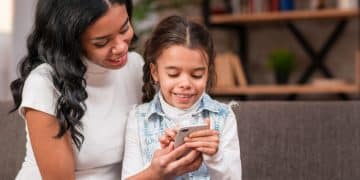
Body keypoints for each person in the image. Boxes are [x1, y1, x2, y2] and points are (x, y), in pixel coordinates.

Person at [10, 0, 202, 179]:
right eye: (102, 42)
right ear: (71, 42)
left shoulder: (134, 66)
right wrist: (153, 174)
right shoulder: (44, 84)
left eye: (124, 28)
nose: (120, 47)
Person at [122, 15, 242, 179]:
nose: (185, 83)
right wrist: (156, 170)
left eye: (197, 75)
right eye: (173, 74)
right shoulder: (138, 119)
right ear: (155, 72)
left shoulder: (223, 117)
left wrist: (215, 157)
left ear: (208, 72)